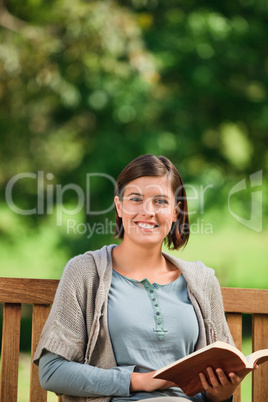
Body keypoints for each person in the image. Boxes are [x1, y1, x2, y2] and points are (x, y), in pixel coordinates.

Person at [34, 154, 247, 402]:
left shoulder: (202, 279)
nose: (148, 212)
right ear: (119, 206)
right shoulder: (85, 272)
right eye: (136, 199)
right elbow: (52, 371)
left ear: (175, 211)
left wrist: (220, 394)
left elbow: (222, 375)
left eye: (160, 201)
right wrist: (139, 381)